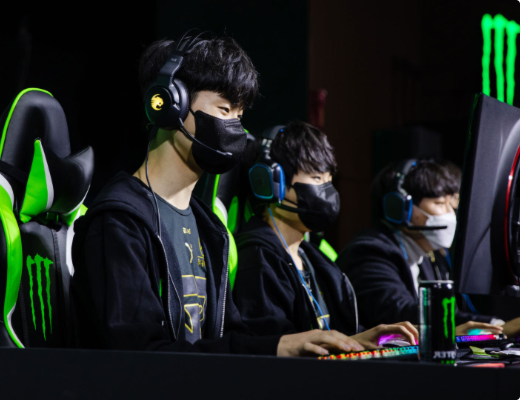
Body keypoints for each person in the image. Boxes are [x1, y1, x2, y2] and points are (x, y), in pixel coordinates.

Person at [70, 33, 407, 357]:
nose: (236, 128)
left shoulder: (210, 229)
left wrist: (342, 343)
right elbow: (139, 358)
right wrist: (278, 348)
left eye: (240, 115)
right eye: (225, 110)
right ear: (170, 105)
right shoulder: (119, 223)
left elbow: (231, 343)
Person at [232, 120, 418, 349]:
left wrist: (393, 338)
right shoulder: (259, 258)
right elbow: (279, 349)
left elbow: (338, 332)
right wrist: (350, 342)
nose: (328, 191)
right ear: (270, 183)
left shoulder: (312, 258)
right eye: (317, 178)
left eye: (329, 179)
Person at [337, 160, 520, 336]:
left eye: (452, 204)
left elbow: (446, 311)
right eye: (440, 203)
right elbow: (399, 314)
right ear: (400, 207)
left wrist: (496, 326)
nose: (451, 214)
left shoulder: (428, 256)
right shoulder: (369, 253)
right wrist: (499, 328)